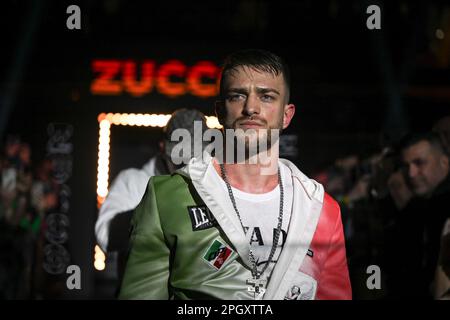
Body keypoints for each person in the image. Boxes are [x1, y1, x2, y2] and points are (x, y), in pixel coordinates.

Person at [119, 49, 352, 300]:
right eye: (238, 95)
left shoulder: (321, 209)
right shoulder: (167, 197)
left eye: (267, 96)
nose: (251, 107)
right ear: (219, 111)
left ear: (287, 115)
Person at [95, 108, 207, 253]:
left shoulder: (214, 186)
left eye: (194, 160)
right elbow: (105, 236)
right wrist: (155, 209)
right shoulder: (133, 181)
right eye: (180, 160)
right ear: (162, 149)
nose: (187, 168)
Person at [387, 132, 450, 298]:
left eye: (419, 163)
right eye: (406, 166)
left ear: (445, 162)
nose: (411, 173)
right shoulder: (416, 207)